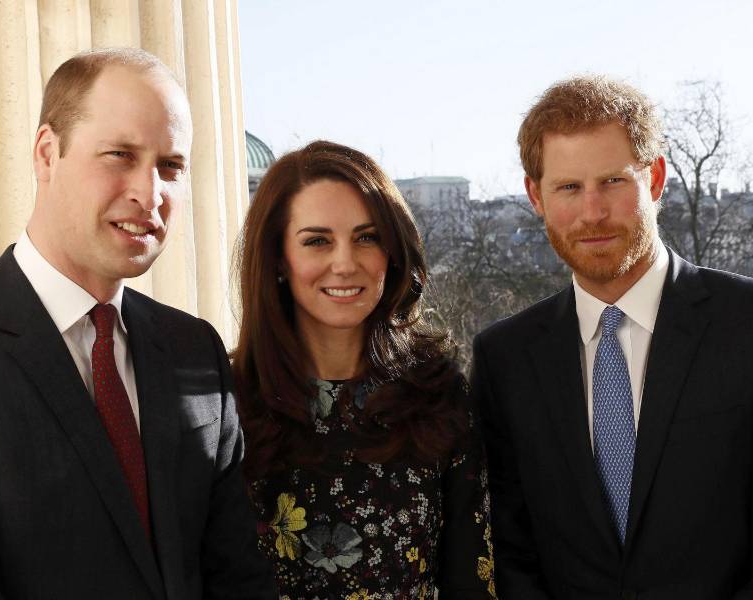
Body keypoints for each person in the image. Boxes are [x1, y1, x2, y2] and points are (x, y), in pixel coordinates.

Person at [0, 48, 276, 599]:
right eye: (119, 155)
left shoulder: (195, 351)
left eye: (170, 166)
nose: (150, 194)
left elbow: (238, 579)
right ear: (47, 153)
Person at [472, 75, 753, 599]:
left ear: (656, 179)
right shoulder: (503, 360)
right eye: (569, 187)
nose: (593, 212)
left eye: (614, 182)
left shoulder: (745, 323)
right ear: (536, 195)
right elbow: (510, 546)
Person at [232, 140, 497, 599]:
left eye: (367, 237)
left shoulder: (438, 392)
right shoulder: (227, 401)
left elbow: (472, 575)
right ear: (278, 258)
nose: (344, 263)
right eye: (317, 241)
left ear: (392, 252)